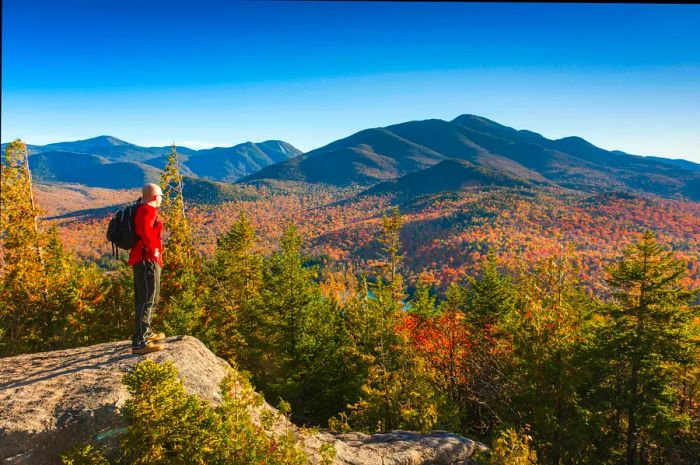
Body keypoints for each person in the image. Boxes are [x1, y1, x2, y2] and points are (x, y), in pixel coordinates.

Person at [129, 183, 166, 354]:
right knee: (149, 298)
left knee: (144, 298)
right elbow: (145, 232)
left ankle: (145, 332)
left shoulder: (141, 209)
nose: (162, 199)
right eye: (161, 196)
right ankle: (140, 342)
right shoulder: (146, 210)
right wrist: (155, 250)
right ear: (154, 197)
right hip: (147, 260)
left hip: (142, 259)